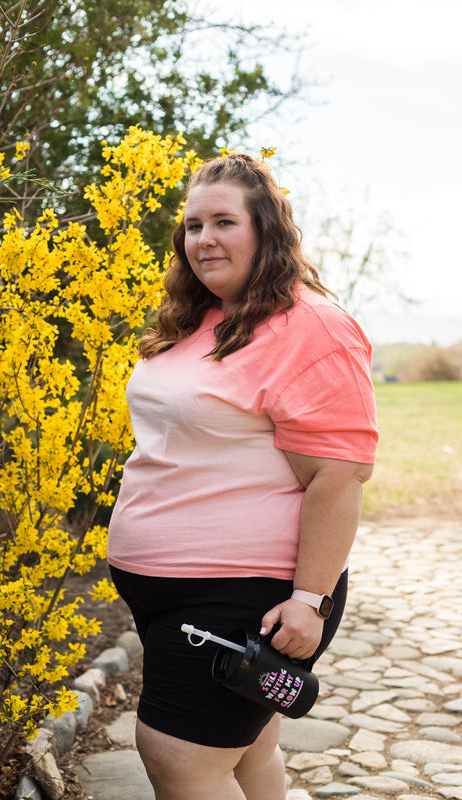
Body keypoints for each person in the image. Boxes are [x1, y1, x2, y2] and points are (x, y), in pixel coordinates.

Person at [106, 152, 378, 800]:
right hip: (169, 590)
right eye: (193, 225)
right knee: (249, 752)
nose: (203, 239)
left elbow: (338, 477)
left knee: (177, 758)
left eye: (223, 221)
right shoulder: (196, 319)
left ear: (267, 230)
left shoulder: (310, 326)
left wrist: (309, 603)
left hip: (244, 594)